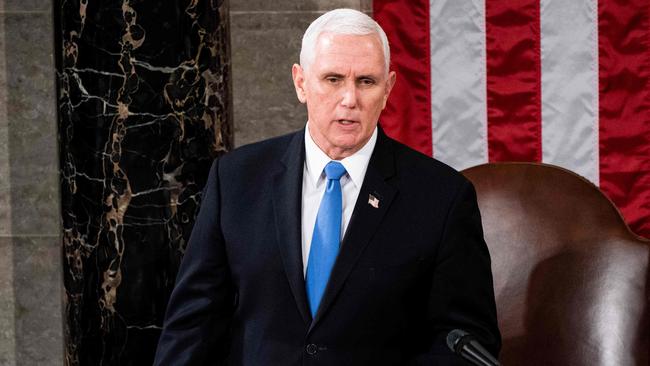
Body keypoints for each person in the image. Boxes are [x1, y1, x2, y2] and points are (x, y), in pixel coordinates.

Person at [154, 8, 500, 365]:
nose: (350, 98)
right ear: (301, 83)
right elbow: (192, 326)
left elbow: (466, 342)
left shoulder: (441, 196)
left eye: (366, 81)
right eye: (333, 79)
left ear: (388, 89)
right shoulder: (236, 179)